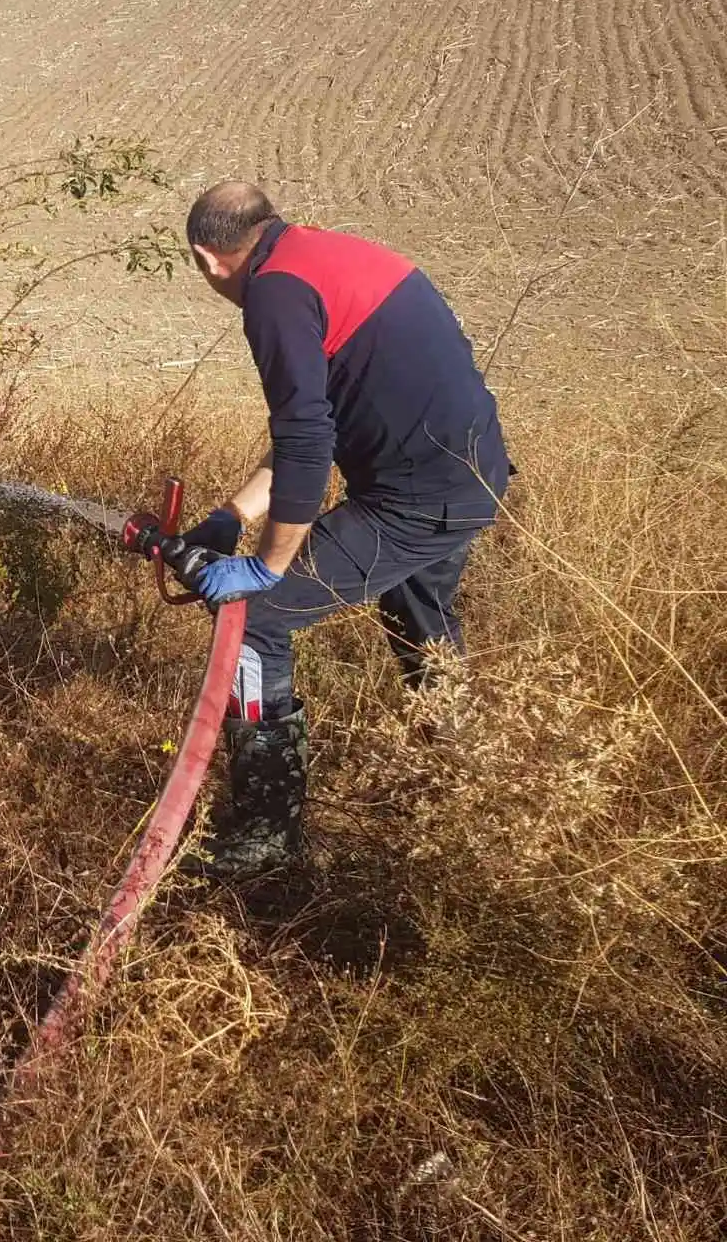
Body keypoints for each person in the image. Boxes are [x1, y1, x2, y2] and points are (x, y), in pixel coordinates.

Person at [158, 182, 510, 880]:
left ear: (206, 256)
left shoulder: (274, 294)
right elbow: (321, 417)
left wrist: (265, 566)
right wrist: (235, 514)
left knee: (256, 619)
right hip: (470, 472)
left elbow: (307, 439)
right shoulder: (325, 253)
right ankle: (472, 786)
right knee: (421, 622)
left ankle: (267, 834)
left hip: (416, 498)